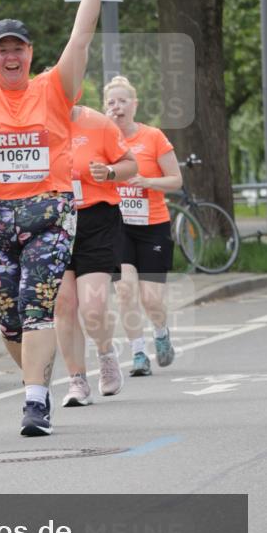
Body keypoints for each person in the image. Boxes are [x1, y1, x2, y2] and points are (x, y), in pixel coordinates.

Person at [0, 0, 124, 437]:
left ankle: (35, 403)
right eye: (1, 49)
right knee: (9, 322)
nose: (10, 56)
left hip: (50, 215)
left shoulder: (54, 89)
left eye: (17, 47)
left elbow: (80, 38)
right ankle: (37, 379)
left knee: (37, 306)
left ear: (29, 51)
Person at [54, 104, 137, 407]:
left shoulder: (99, 124)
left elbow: (131, 165)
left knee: (92, 306)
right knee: (64, 303)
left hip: (96, 220)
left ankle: (106, 354)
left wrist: (111, 172)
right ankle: (77, 380)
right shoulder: (36, 126)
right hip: (54, 221)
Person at [104, 75, 182, 376]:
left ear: (134, 105)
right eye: (111, 102)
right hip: (118, 227)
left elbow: (176, 180)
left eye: (123, 101)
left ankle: (161, 332)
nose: (117, 107)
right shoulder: (104, 140)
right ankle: (138, 353)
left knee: (151, 298)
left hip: (153, 226)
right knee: (124, 291)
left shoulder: (154, 137)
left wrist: (148, 181)